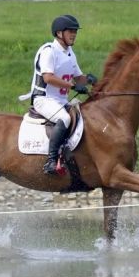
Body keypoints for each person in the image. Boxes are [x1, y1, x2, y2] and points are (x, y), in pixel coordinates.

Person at [26, 14, 96, 174]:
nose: (74, 34)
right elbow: (48, 77)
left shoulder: (70, 53)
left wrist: (90, 80)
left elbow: (78, 78)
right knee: (64, 118)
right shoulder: (49, 51)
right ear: (59, 33)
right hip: (43, 99)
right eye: (70, 31)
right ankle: (50, 161)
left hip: (60, 100)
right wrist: (72, 86)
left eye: (75, 31)